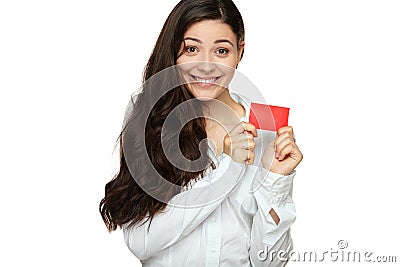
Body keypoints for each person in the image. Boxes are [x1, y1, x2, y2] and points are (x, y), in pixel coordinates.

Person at [99, 0, 303, 266]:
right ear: (174, 51)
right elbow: (141, 243)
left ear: (240, 52)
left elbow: (270, 263)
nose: (206, 66)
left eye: (221, 50)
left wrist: (277, 181)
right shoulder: (150, 113)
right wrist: (223, 164)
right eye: (192, 49)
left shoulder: (264, 127)